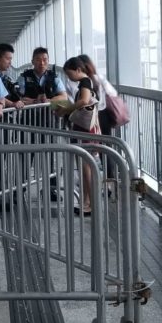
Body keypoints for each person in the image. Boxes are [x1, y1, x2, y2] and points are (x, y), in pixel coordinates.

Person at [17, 47, 69, 201]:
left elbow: (63, 98)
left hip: (49, 122)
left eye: (45, 59)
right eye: (38, 59)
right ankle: (20, 189)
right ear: (32, 61)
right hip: (28, 123)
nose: (42, 62)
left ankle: (51, 189)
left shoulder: (55, 77)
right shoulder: (23, 77)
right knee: (26, 156)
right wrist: (35, 102)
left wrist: (47, 101)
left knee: (51, 156)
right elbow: (20, 99)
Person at [59, 57, 102, 216]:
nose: (69, 78)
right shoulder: (89, 82)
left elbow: (84, 101)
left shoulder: (85, 82)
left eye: (70, 74)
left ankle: (91, 203)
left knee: (86, 168)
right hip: (86, 130)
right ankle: (87, 202)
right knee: (85, 167)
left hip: (85, 131)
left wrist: (67, 109)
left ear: (78, 70)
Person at [78, 54, 114, 135]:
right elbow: (112, 93)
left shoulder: (84, 82)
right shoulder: (100, 77)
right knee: (106, 143)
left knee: (92, 143)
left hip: (89, 116)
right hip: (103, 115)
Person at [0, 43, 24, 110]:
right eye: (8, 59)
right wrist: (12, 104)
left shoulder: (5, 78)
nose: (10, 63)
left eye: (11, 59)